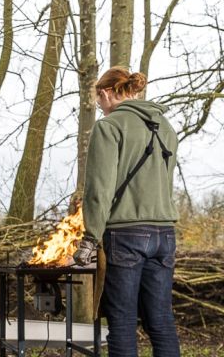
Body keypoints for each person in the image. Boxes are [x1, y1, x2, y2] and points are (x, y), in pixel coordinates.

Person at [74, 67, 180, 356]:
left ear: (108, 92)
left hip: (126, 234)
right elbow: (165, 182)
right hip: (165, 234)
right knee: (160, 320)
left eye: (98, 98)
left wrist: (90, 238)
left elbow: (99, 190)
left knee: (121, 322)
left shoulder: (109, 126)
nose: (98, 105)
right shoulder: (165, 127)